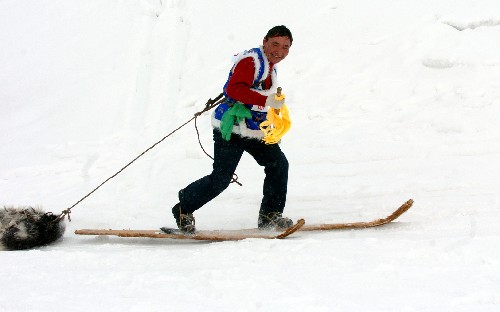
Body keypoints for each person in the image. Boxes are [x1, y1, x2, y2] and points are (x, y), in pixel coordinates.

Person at [169, 25, 293, 233]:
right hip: (231, 128)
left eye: (285, 47)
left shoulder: (270, 65)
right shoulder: (250, 61)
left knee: (278, 165)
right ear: (265, 41)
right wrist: (266, 99)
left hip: (254, 128)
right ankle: (183, 207)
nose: (279, 51)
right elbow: (233, 90)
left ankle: (270, 215)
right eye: (275, 44)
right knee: (221, 179)